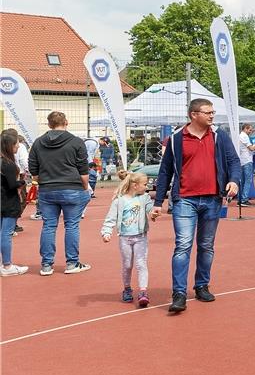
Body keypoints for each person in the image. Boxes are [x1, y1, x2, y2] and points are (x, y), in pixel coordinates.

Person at [152, 99, 242, 313]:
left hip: (212, 199)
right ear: (193, 115)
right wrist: (158, 202)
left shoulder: (220, 137)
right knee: (183, 245)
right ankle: (179, 293)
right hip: (184, 199)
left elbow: (234, 162)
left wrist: (234, 181)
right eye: (207, 112)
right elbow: (165, 172)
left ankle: (202, 285)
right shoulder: (176, 139)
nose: (212, 116)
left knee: (206, 245)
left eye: (213, 112)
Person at [29, 111, 92, 276]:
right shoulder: (77, 142)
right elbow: (83, 169)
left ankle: (46, 265)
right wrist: (85, 187)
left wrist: (40, 180)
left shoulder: (38, 143)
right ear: (66, 122)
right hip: (72, 187)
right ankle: (72, 263)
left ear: (49, 124)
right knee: (71, 225)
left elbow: (33, 168)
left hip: (47, 189)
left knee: (49, 226)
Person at [101, 171, 153, 307]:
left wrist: (153, 213)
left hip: (140, 237)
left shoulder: (145, 198)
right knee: (127, 265)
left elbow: (150, 209)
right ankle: (127, 288)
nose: (147, 187)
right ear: (135, 185)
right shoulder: (119, 201)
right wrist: (107, 232)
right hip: (125, 238)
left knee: (141, 263)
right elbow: (110, 218)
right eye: (145, 184)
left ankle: (143, 291)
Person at [1, 131, 28, 276]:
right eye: (17, 143)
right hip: (8, 202)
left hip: (2, 200)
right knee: (6, 234)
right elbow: (12, 185)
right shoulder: (8, 164)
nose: (19, 146)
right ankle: (7, 265)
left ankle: (5, 264)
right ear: (10, 145)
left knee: (2, 233)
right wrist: (24, 182)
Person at [237, 123, 255, 206]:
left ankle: (240, 199)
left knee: (242, 180)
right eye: (250, 130)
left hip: (242, 160)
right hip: (247, 160)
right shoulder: (244, 136)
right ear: (245, 129)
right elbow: (251, 148)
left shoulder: (240, 136)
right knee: (248, 180)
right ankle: (244, 199)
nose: (251, 131)